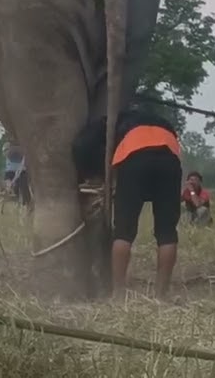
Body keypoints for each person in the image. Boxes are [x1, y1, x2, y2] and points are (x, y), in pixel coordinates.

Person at [74, 108, 183, 297]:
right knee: (167, 232)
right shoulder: (159, 121)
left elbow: (82, 146)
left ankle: (118, 293)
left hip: (134, 160)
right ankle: (160, 295)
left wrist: (91, 172)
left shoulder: (111, 121)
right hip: (169, 160)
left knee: (123, 231)